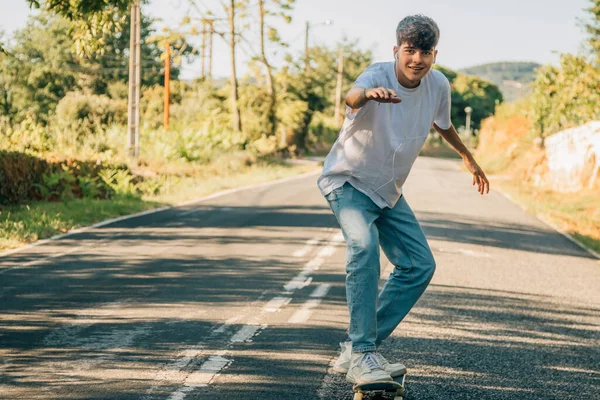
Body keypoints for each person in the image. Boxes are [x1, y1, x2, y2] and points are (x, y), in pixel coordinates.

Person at [318, 14, 490, 385]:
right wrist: (367, 94)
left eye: (425, 52)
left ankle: (359, 348)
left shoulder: (438, 85)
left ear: (435, 54)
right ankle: (363, 352)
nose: (417, 60)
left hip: (387, 189)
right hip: (347, 181)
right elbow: (351, 95)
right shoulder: (376, 75)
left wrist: (467, 156)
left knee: (419, 265)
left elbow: (442, 123)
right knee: (364, 247)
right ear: (396, 49)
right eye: (409, 51)